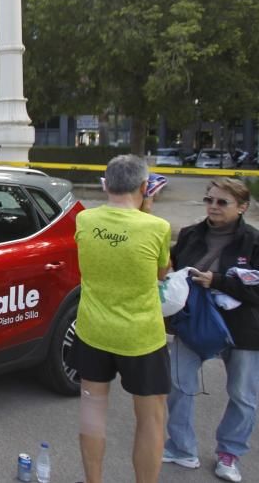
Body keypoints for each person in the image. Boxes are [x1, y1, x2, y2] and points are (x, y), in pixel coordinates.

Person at [68, 154, 172, 483]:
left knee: (92, 414)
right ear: (144, 187)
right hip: (141, 337)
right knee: (152, 419)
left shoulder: (84, 220)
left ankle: (93, 480)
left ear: (106, 184)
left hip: (93, 331)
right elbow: (161, 272)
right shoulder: (157, 227)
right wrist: (148, 212)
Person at [163, 177, 259, 482]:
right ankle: (181, 448)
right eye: (209, 200)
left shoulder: (254, 242)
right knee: (179, 385)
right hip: (193, 323)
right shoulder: (191, 234)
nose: (213, 207)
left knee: (243, 395)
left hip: (242, 329)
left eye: (222, 202)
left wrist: (217, 281)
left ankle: (229, 453)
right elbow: (171, 270)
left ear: (243, 207)